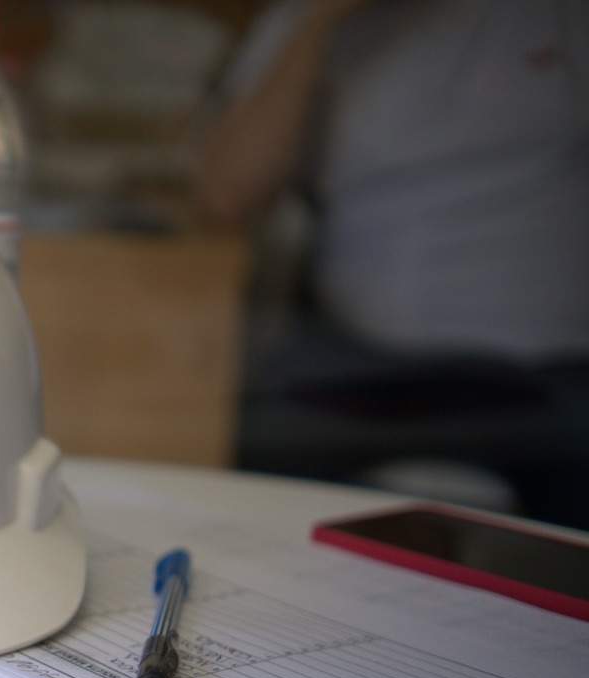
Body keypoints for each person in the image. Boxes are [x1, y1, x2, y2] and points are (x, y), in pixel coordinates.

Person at [200, 0, 589, 527]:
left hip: (553, 371)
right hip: (361, 362)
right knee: (241, 475)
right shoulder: (308, 20)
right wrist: (319, 21)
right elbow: (226, 195)